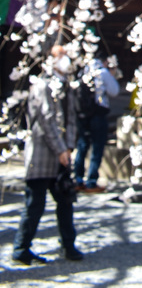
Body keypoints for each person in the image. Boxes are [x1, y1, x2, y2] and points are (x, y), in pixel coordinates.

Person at [13, 45, 83, 265]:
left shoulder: (67, 87)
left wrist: (69, 146)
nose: (65, 60)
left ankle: (68, 245)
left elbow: (71, 118)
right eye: (60, 56)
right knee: (35, 204)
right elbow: (46, 119)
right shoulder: (42, 85)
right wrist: (61, 149)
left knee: (65, 200)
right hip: (42, 155)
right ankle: (21, 248)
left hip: (61, 154)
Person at [73, 52, 120, 192]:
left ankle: (78, 179)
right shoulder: (103, 72)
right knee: (97, 147)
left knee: (82, 146)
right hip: (98, 114)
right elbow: (114, 91)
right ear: (104, 61)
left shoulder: (83, 71)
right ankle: (92, 181)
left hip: (82, 114)